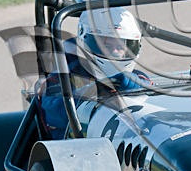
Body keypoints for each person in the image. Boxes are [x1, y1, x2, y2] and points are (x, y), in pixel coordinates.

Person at [39, 7, 150, 138]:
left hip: (116, 143)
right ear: (85, 41)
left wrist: (126, 82)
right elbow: (54, 112)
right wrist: (93, 92)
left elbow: (151, 91)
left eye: (120, 47)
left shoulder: (131, 76)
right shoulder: (64, 74)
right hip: (72, 148)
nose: (115, 52)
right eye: (107, 46)